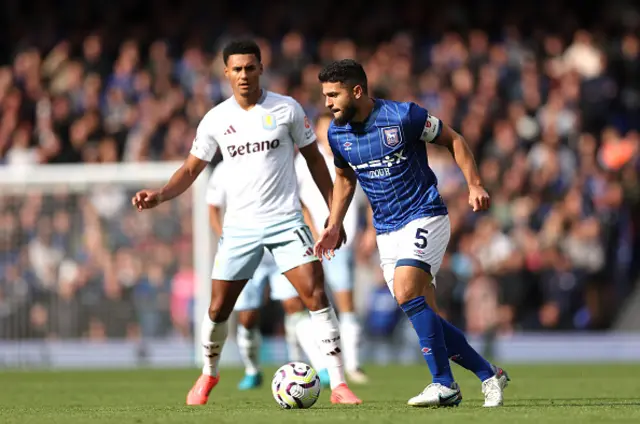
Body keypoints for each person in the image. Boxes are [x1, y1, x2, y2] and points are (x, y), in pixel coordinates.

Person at [132, 41, 361, 406]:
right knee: (218, 309)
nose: (243, 75)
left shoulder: (286, 109)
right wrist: (160, 195)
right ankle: (209, 374)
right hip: (239, 228)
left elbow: (316, 162)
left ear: (260, 68)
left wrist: (333, 217)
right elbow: (191, 169)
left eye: (250, 68)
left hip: (286, 222)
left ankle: (338, 384)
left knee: (316, 295)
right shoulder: (216, 119)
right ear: (226, 72)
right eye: (236, 69)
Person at [314, 59, 510, 408]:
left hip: (425, 215)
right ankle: (488, 374)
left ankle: (443, 385)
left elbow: (454, 139)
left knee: (407, 292)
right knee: (427, 321)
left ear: (357, 91)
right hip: (386, 232)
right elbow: (344, 179)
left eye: (334, 94)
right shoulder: (337, 133)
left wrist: (474, 184)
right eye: (325, 95)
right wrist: (334, 224)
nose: (328, 103)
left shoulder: (404, 117)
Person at [206, 161, 331, 390]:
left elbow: (297, 203)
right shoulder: (224, 170)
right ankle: (252, 370)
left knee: (295, 304)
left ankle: (322, 367)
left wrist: (313, 232)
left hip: (280, 250)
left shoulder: (271, 160)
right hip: (245, 251)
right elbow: (213, 208)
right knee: (247, 317)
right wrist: (226, 240)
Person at [294, 113, 369, 384]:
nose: (329, 135)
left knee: (345, 305)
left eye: (333, 129)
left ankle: (353, 365)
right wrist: (313, 230)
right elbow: (296, 199)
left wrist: (369, 231)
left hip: (340, 246)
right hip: (308, 242)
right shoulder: (304, 164)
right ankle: (319, 363)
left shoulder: (350, 159)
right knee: (305, 303)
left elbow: (367, 198)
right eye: (325, 129)